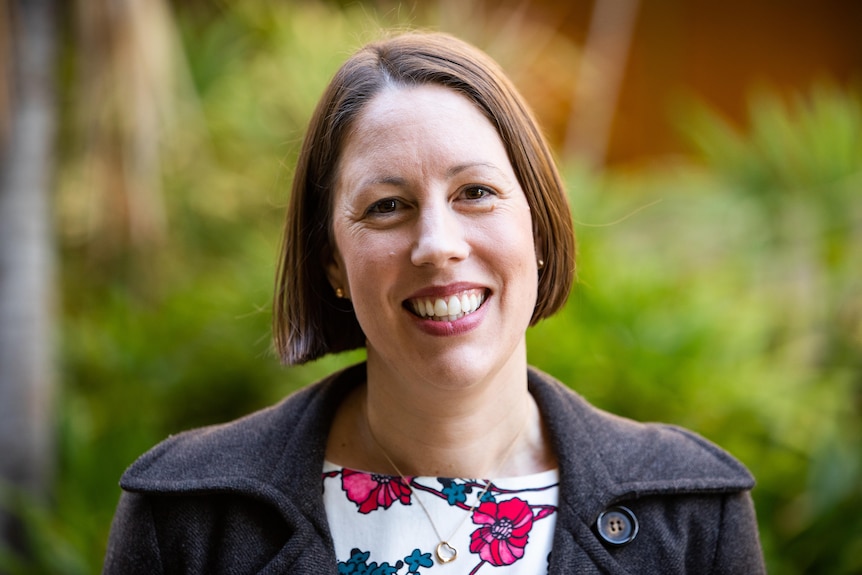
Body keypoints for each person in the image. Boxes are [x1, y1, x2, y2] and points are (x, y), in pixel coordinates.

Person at [102, 31, 765, 574]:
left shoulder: (693, 514)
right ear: (331, 259)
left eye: (475, 191)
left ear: (536, 226)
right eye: (387, 206)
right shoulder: (188, 519)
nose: (438, 246)